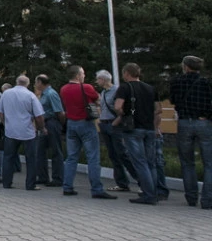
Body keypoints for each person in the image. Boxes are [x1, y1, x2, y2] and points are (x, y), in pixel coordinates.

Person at [59, 66, 116, 200]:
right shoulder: (86, 87)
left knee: (71, 157)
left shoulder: (63, 89)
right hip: (85, 123)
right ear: (78, 76)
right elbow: (98, 100)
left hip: (71, 123)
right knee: (93, 157)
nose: (84, 76)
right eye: (83, 73)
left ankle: (67, 187)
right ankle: (96, 189)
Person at [113, 63, 162, 205]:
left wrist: (123, 114)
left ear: (127, 73)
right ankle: (155, 191)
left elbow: (117, 106)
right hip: (149, 128)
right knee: (150, 163)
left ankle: (148, 194)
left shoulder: (125, 87)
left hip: (133, 128)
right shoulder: (150, 88)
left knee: (140, 162)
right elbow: (158, 109)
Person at [169, 55, 212, 209]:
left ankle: (191, 198)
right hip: (204, 123)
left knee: (187, 162)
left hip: (184, 122)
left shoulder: (177, 81)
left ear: (186, 66)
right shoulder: (206, 82)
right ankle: (207, 200)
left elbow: (173, 100)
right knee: (209, 163)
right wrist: (207, 115)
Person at [0, 76, 45, 191]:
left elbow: (0, 111)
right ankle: (30, 184)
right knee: (31, 159)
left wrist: (5, 123)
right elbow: (39, 116)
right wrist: (41, 128)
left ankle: (7, 182)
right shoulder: (31, 96)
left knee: (8, 157)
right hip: (27, 132)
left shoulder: (6, 94)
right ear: (27, 84)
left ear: (16, 82)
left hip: (10, 131)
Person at [95, 69, 138, 193]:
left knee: (123, 154)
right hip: (104, 124)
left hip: (114, 125)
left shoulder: (117, 91)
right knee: (113, 155)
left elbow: (122, 108)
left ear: (103, 79)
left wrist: (116, 121)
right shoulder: (103, 92)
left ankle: (141, 180)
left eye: (98, 79)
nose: (97, 82)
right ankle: (122, 183)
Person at [34, 75, 65, 187]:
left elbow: (60, 112)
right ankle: (42, 176)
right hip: (44, 123)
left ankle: (58, 178)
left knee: (56, 151)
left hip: (52, 122)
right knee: (40, 151)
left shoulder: (51, 94)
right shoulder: (42, 95)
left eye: (36, 82)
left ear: (40, 82)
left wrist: (60, 125)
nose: (36, 85)